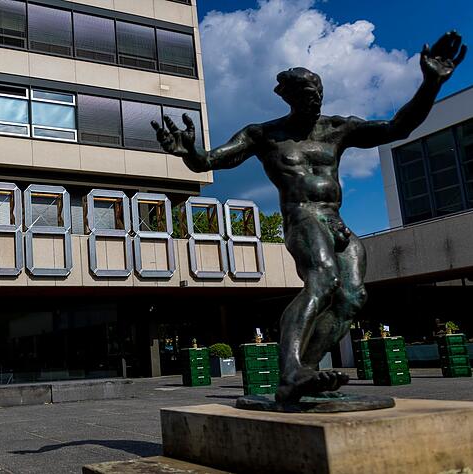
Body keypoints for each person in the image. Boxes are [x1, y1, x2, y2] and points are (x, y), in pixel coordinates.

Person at [152, 32, 466, 403]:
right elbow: (209, 161)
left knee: (352, 296)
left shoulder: (338, 129)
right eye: (305, 94)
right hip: (302, 218)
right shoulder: (263, 135)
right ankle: (291, 370)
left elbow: (398, 128)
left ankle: (306, 372)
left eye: (318, 92)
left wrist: (430, 84)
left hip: (337, 222)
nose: (314, 99)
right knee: (323, 282)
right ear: (287, 97)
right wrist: (188, 151)